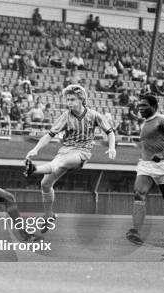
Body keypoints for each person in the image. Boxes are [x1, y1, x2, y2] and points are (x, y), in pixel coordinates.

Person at [23, 85, 116, 232]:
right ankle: (49, 216)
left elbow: (110, 132)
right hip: (65, 150)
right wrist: (35, 149)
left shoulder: (93, 115)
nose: (69, 102)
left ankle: (34, 169)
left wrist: (112, 147)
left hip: (81, 152)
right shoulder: (66, 116)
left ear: (82, 100)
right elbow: (49, 135)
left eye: (72, 99)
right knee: (45, 184)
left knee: (58, 162)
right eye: (67, 99)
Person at [124, 95, 164, 262]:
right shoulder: (145, 122)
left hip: (163, 166)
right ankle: (136, 232)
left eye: (144, 105)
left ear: (154, 106)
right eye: (139, 105)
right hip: (146, 165)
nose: (140, 108)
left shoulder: (161, 119)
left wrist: (163, 153)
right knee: (139, 192)